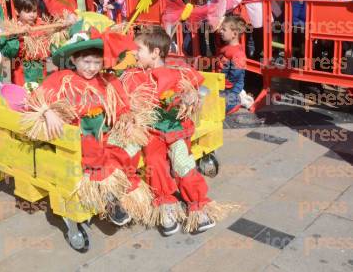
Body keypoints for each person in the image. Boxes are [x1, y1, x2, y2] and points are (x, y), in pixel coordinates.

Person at [28, 19, 153, 226]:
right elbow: (36, 98)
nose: (92, 68)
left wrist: (127, 120)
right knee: (95, 153)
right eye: (86, 62)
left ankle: (123, 188)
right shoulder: (62, 79)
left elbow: (123, 106)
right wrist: (47, 111)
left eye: (97, 63)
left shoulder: (107, 80)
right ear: (75, 60)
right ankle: (109, 196)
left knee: (130, 146)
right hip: (78, 136)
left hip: (105, 132)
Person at [122, 28, 220, 235]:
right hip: (151, 133)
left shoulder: (178, 72)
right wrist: (129, 119)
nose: (135, 54)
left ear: (155, 53)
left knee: (183, 164)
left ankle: (198, 205)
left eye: (139, 49)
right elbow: (126, 102)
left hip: (176, 130)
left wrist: (193, 97)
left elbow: (197, 89)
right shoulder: (134, 75)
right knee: (155, 164)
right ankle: (166, 205)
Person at [3, 0, 49, 88]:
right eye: (28, 11)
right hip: (22, 75)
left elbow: (48, 50)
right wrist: (18, 36)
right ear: (16, 11)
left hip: (40, 72)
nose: (32, 15)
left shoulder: (41, 26)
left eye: (34, 11)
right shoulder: (13, 29)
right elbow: (9, 52)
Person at [217, 16, 248, 114]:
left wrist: (226, 83)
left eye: (224, 29)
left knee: (219, 107)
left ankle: (236, 102)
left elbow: (236, 73)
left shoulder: (238, 53)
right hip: (222, 83)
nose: (220, 31)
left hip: (231, 88)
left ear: (234, 34)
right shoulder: (227, 47)